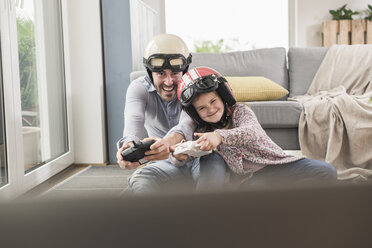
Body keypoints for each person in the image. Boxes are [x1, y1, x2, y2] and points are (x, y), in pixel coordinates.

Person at [170, 66, 337, 188]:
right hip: (251, 179)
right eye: (202, 108)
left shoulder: (240, 111)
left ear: (223, 96)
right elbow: (192, 154)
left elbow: (251, 132)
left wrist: (219, 137)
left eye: (213, 101)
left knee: (327, 171)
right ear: (195, 112)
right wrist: (180, 156)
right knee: (256, 196)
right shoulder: (201, 132)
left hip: (277, 164)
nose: (210, 109)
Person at [116, 34, 228, 193]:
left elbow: (186, 124)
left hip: (202, 156)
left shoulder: (196, 87)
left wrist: (167, 143)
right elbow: (133, 121)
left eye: (175, 73)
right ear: (150, 72)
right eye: (161, 73)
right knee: (140, 178)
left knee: (213, 168)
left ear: (185, 70)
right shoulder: (138, 88)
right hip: (165, 162)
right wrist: (127, 147)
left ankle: (205, 213)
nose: (169, 82)